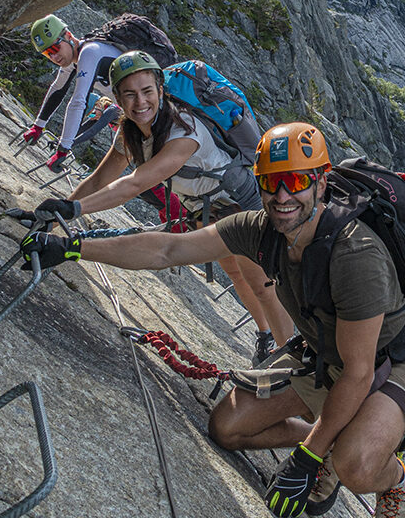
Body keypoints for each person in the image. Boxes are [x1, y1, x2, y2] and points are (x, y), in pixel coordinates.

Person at [21, 120, 405, 518]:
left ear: (321, 183)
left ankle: (392, 478)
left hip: (388, 364)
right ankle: (331, 441)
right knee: (228, 428)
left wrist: (306, 459)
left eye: (298, 181)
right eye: (271, 182)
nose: (283, 195)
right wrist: (73, 247)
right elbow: (168, 251)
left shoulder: (356, 255)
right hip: (324, 353)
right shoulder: (260, 229)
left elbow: (358, 374)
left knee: (355, 466)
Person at [30, 50, 293, 365]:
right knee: (235, 272)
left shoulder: (185, 130)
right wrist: (56, 215)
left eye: (147, 92)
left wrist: (72, 211)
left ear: (160, 90)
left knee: (261, 285)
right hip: (205, 207)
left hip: (239, 203)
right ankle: (266, 337)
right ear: (117, 97)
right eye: (130, 95)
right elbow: (101, 179)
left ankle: (287, 360)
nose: (140, 102)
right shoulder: (132, 133)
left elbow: (134, 184)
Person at [21, 14, 124, 171]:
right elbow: (58, 89)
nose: (54, 57)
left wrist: (63, 150)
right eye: (47, 53)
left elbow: (78, 101)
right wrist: (38, 126)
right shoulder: (74, 59)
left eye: (55, 48)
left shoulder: (90, 52)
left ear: (68, 36)